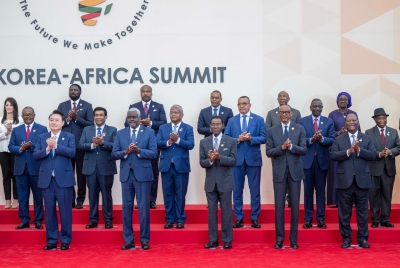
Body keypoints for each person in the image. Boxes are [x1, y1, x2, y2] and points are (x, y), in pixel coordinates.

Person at [112, 108, 157, 250]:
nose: (131, 119)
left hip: (143, 175)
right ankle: (128, 240)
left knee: (143, 208)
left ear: (140, 118)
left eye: (134, 117)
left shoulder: (149, 132)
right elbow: (114, 154)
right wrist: (125, 152)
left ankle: (144, 239)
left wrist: (139, 151)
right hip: (126, 176)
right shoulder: (121, 133)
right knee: (126, 208)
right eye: (129, 117)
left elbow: (154, 153)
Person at [330, 113, 376, 249]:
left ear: (358, 122)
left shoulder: (366, 138)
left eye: (354, 120)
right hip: (345, 181)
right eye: (348, 120)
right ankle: (346, 239)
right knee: (344, 213)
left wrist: (360, 150)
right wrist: (348, 151)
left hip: (362, 181)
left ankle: (362, 239)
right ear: (345, 123)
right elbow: (332, 155)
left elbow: (373, 155)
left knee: (362, 213)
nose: (351, 122)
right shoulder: (339, 139)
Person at [33, 110, 76, 250]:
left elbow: (72, 152)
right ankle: (51, 241)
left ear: (63, 123)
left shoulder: (68, 136)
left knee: (65, 212)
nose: (54, 122)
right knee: (49, 212)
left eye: (57, 120)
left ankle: (65, 240)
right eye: (51, 119)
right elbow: (36, 155)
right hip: (47, 180)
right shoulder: (42, 137)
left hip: (64, 180)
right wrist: (47, 149)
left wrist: (57, 146)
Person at [266, 104, 306, 249]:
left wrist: (291, 147)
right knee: (279, 207)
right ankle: (279, 239)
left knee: (295, 208)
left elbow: (303, 149)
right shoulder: (271, 131)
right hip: (279, 173)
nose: (284, 114)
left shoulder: (299, 128)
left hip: (295, 173)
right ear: (278, 114)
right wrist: (281, 148)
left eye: (287, 112)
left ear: (291, 114)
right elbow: (269, 152)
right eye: (281, 112)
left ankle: (294, 240)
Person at [225, 96, 266, 228]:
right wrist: (238, 139)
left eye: (244, 104)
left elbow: (264, 137)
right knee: (237, 191)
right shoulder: (232, 121)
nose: (241, 106)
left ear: (250, 105)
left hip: (253, 160)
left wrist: (250, 138)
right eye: (239, 104)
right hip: (236, 161)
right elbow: (226, 138)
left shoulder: (259, 119)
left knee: (255, 190)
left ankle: (254, 218)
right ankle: (239, 218)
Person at [125, 85, 167, 209]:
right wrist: (139, 123)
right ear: (140, 93)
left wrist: (151, 123)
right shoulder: (133, 107)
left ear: (151, 93)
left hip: (152, 143)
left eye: (148, 91)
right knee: (138, 172)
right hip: (137, 144)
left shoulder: (159, 106)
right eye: (143, 91)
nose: (145, 93)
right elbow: (126, 122)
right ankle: (140, 200)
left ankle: (152, 200)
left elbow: (163, 123)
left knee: (153, 172)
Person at [200, 116, 237, 249]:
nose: (215, 126)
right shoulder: (204, 142)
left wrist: (219, 157)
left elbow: (233, 161)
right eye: (213, 124)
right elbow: (202, 162)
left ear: (223, 126)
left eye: (218, 124)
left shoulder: (231, 141)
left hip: (225, 182)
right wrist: (210, 159)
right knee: (211, 213)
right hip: (210, 183)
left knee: (226, 212)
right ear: (210, 126)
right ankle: (213, 240)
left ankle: (227, 240)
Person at [298, 99, 335, 228]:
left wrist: (322, 139)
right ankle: (308, 219)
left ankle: (320, 219)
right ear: (310, 107)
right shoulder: (302, 121)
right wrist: (311, 139)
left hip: (322, 161)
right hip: (307, 161)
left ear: (322, 107)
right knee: (308, 191)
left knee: (320, 191)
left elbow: (332, 139)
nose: (318, 108)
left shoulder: (329, 122)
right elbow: (299, 139)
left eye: (320, 106)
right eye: (315, 106)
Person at [8, 107, 47, 229]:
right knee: (22, 196)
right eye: (25, 115)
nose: (27, 117)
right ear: (22, 116)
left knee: (38, 196)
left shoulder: (42, 129)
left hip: (36, 168)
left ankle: (38, 220)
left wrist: (31, 145)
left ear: (34, 115)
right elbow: (11, 146)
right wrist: (21, 149)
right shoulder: (16, 130)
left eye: (30, 114)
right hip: (20, 169)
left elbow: (44, 146)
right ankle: (24, 220)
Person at [157, 105, 195, 229]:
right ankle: (169, 219)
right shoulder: (163, 128)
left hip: (181, 167)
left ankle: (180, 219)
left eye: (176, 112)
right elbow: (157, 143)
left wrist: (178, 140)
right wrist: (168, 142)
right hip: (166, 166)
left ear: (182, 115)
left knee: (180, 194)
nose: (173, 114)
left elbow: (190, 144)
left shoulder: (188, 128)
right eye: (171, 112)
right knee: (167, 194)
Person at [79, 107, 117, 229]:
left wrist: (102, 143)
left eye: (101, 115)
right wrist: (93, 144)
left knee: (106, 194)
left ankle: (108, 219)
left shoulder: (112, 130)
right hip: (90, 167)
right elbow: (80, 145)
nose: (98, 117)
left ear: (106, 117)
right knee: (92, 195)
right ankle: (93, 219)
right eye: (96, 115)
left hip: (106, 167)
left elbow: (116, 146)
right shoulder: (86, 129)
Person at [57, 84, 94, 209]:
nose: (73, 92)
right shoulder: (62, 106)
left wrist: (77, 119)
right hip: (65, 146)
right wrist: (67, 119)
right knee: (68, 174)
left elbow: (90, 124)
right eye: (71, 90)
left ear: (80, 92)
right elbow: (57, 123)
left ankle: (80, 200)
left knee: (81, 175)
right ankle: (70, 199)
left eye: (75, 90)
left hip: (80, 146)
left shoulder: (87, 105)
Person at [266, 91, 301, 207]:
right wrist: (281, 146)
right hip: (278, 154)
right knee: (280, 177)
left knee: (292, 179)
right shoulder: (271, 113)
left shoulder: (296, 113)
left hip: (293, 155)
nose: (282, 98)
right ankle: (283, 199)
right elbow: (268, 133)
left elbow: (298, 132)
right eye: (280, 96)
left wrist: (290, 145)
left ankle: (291, 200)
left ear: (288, 98)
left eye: (284, 96)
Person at [365, 108, 400, 228]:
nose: (381, 120)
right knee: (374, 194)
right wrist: (379, 154)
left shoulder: (394, 132)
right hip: (374, 168)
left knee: (387, 194)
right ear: (375, 119)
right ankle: (375, 218)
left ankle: (385, 218)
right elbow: (368, 149)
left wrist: (390, 152)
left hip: (388, 169)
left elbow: (398, 147)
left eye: (383, 118)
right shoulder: (368, 132)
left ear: (386, 119)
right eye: (379, 118)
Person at [327, 92, 360, 206]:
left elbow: (358, 130)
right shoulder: (332, 114)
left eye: (345, 99)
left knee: (351, 172)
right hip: (337, 146)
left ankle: (352, 200)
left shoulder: (353, 113)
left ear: (349, 101)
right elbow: (329, 132)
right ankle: (334, 200)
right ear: (337, 101)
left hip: (351, 146)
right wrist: (339, 133)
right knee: (336, 173)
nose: (342, 101)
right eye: (340, 99)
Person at [0, 97, 23, 209]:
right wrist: (6, 133)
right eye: (6, 105)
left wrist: (12, 131)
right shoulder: (0, 120)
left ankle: (15, 200)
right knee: (6, 175)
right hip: (3, 151)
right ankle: (7, 200)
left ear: (14, 106)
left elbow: (22, 135)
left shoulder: (20, 120)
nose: (8, 107)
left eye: (10, 105)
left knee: (15, 175)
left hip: (15, 150)